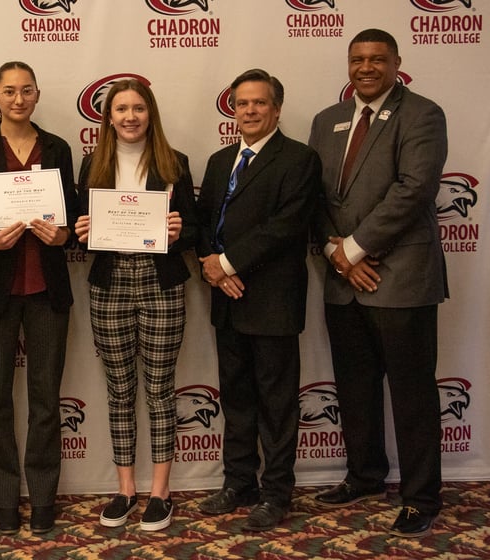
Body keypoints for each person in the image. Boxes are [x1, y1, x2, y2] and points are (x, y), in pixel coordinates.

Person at [308, 28, 448, 538]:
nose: (366, 68)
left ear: (396, 63)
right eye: (357, 59)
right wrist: (336, 254)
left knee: (412, 393)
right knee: (355, 387)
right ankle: (365, 475)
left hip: (402, 278)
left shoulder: (423, 114)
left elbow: (415, 189)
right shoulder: (327, 119)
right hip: (343, 278)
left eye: (377, 59)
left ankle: (421, 496)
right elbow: (313, 195)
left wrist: (355, 249)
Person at [0, 61, 78, 535]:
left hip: (47, 291)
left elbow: (72, 220)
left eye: (26, 90)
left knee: (46, 400)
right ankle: (4, 499)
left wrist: (61, 234)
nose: (18, 99)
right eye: (9, 91)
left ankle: (43, 498)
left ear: (37, 95)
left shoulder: (59, 149)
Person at [195, 68, 321, 532]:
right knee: (236, 398)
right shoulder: (219, 160)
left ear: (277, 108)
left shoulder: (300, 159)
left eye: (259, 102)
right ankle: (239, 482)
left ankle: (276, 493)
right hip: (227, 301)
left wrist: (226, 265)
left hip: (272, 301)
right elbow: (204, 220)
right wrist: (210, 263)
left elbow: (285, 226)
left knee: (277, 403)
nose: (249, 110)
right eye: (242, 103)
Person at [74, 79, 197, 531]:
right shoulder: (92, 164)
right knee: (120, 391)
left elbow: (195, 231)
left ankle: (161, 492)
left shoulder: (174, 163)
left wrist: (179, 230)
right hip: (110, 284)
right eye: (121, 109)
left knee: (160, 389)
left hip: (161, 282)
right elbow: (78, 232)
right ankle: (125, 490)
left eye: (138, 108)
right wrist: (81, 232)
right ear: (108, 118)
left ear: (151, 114)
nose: (130, 117)